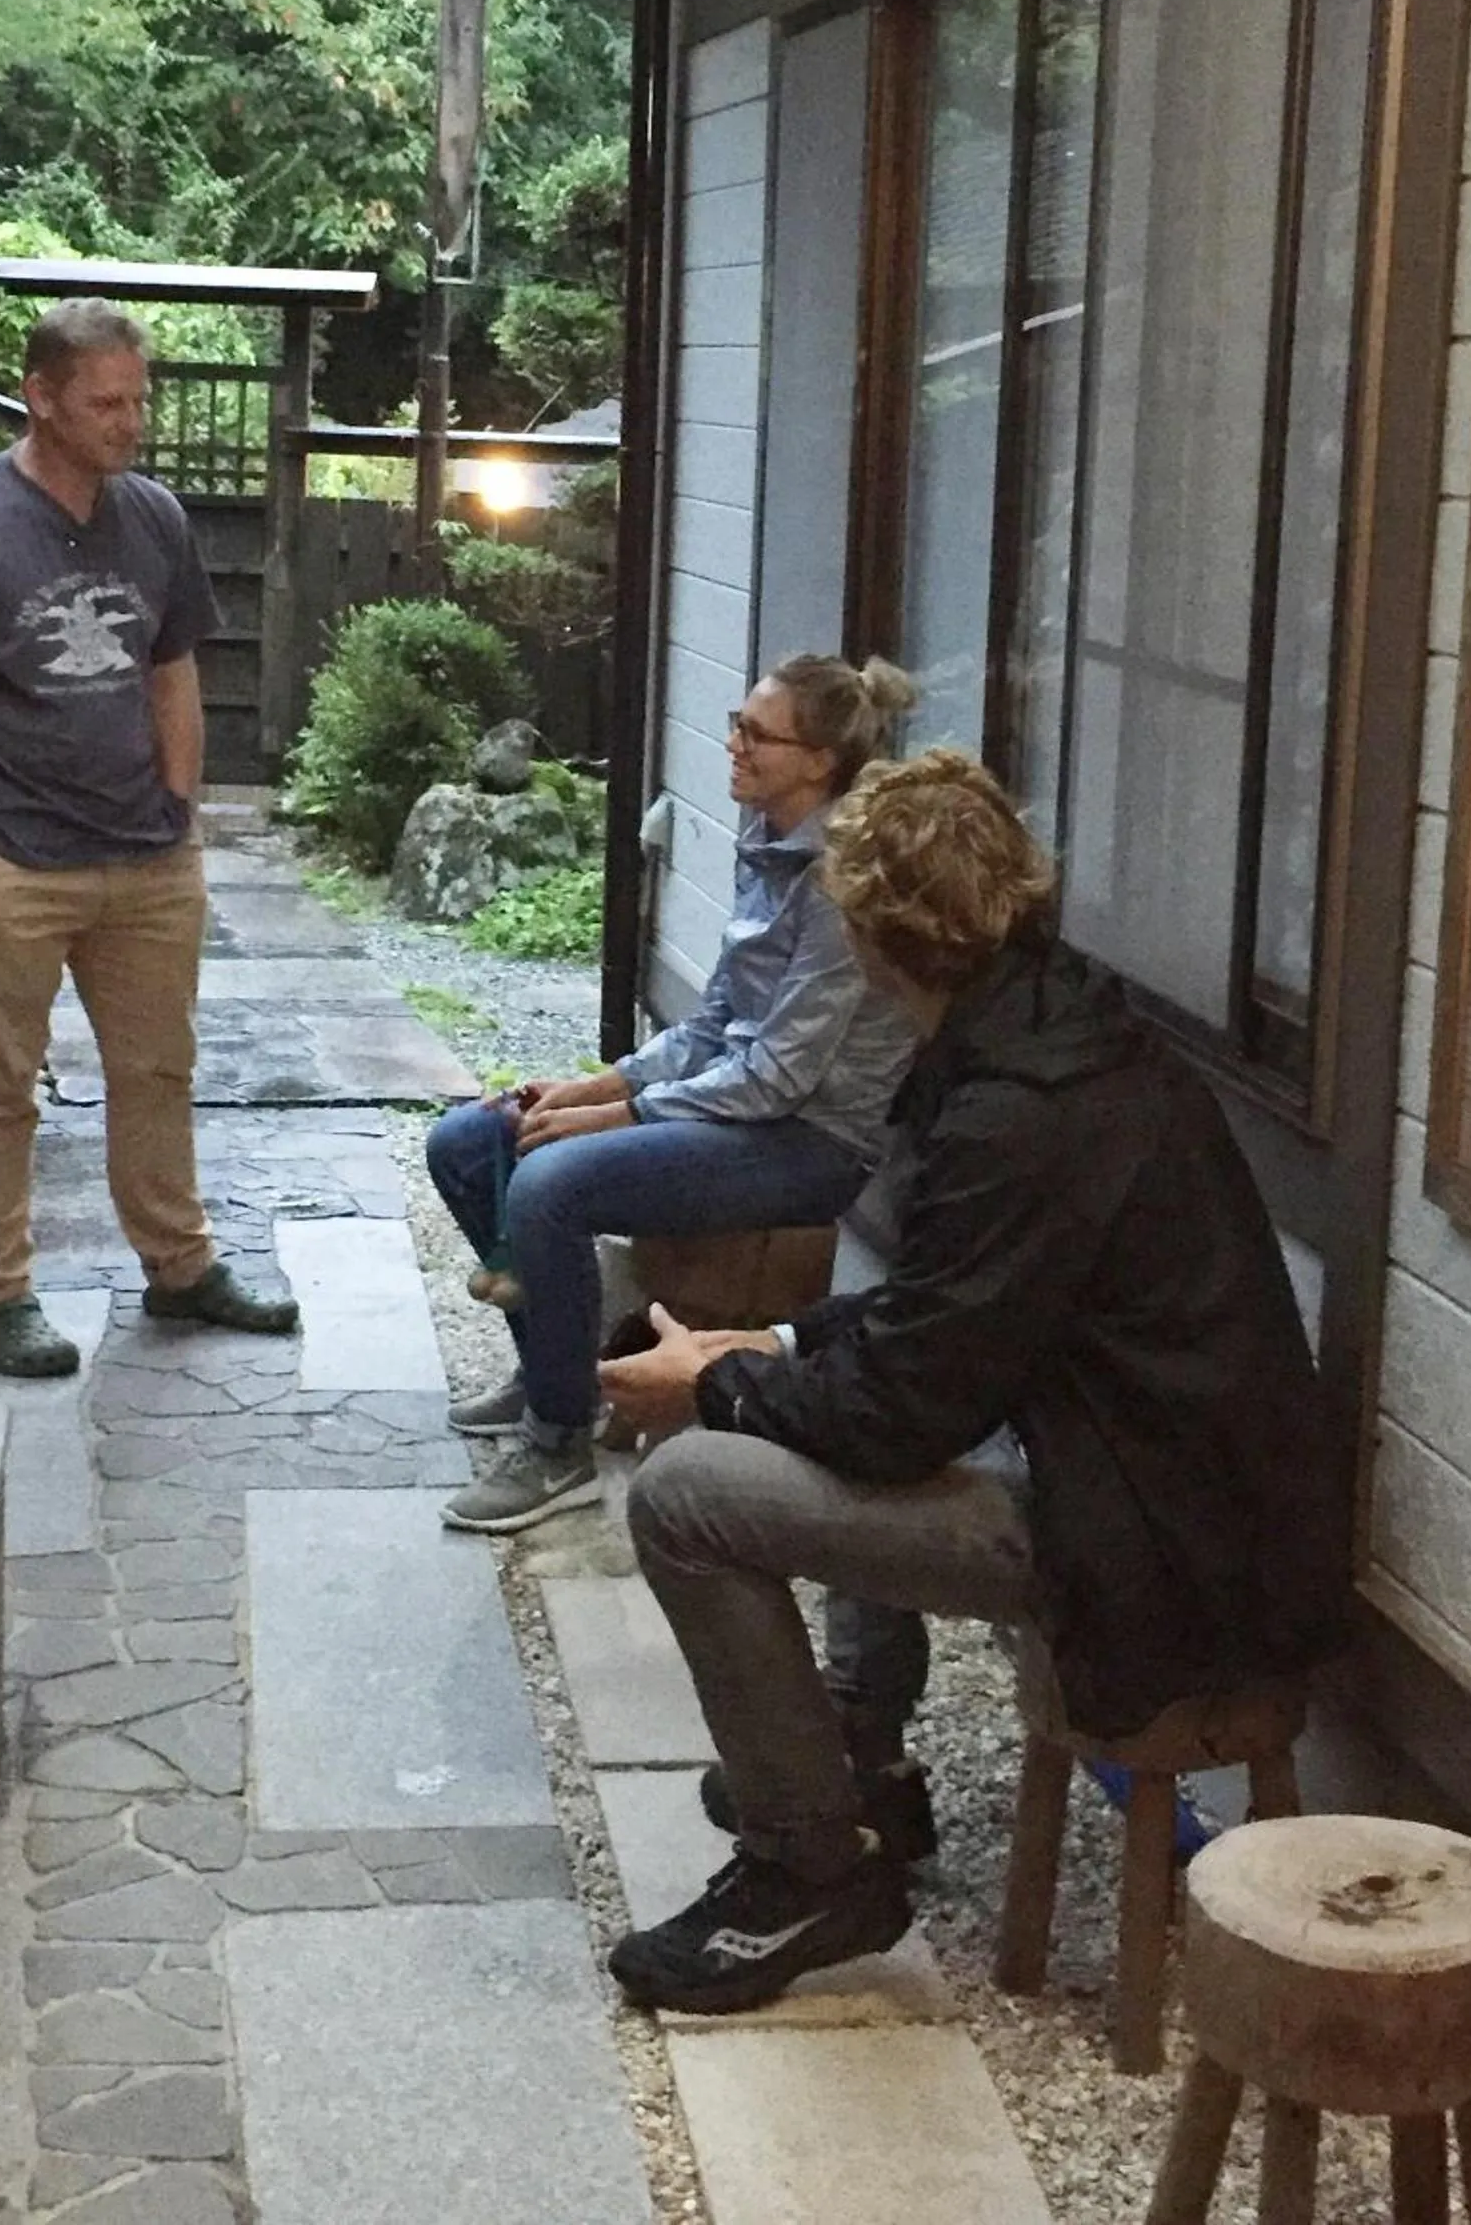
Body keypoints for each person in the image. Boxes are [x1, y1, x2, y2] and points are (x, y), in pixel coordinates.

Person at [595, 751, 1349, 2017]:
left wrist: (711, 1392)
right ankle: (856, 1753)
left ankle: (809, 1866)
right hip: (1161, 1482)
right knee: (797, 1395)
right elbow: (947, 1322)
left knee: (690, 1497)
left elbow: (901, 1415)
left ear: (878, 940)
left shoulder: (1019, 1112)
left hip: (1155, 1544)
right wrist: (766, 1349)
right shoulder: (1066, 1032)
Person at [0, 299, 298, 1379]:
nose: (130, 422)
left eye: (138, 399)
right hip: (8, 858)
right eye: (106, 402)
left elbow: (172, 666)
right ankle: (0, 1294)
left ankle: (179, 1266)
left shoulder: (152, 517)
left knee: (159, 1070)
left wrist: (180, 805)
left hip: (146, 859)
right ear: (42, 396)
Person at [426, 653, 922, 1536]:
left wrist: (614, 1115)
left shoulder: (843, 881)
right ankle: (557, 1371)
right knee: (467, 1142)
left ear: (818, 761)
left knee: (550, 1183)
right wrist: (595, 1082)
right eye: (739, 722)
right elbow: (712, 1026)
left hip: (808, 1143)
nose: (732, 743)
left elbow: (778, 1076)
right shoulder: (766, 840)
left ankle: (558, 1445)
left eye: (755, 734)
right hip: (739, 1107)